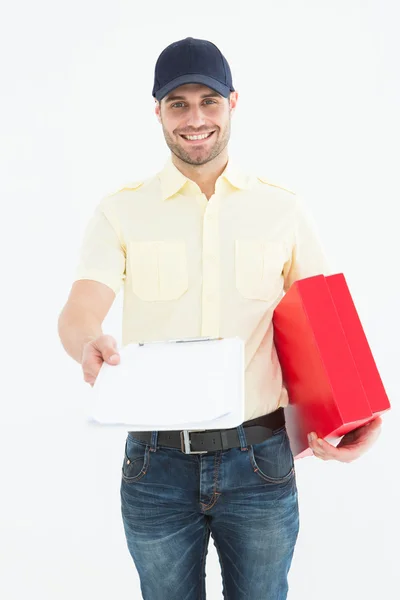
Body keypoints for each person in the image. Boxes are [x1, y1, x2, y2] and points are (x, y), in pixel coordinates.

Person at [58, 36, 382, 600]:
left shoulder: (282, 208)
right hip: (155, 467)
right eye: (177, 103)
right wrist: (88, 341)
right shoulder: (122, 210)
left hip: (259, 462)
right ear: (157, 111)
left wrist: (357, 419)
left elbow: (329, 328)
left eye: (208, 101)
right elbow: (81, 308)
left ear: (233, 102)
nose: (195, 118)